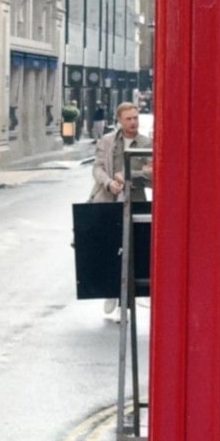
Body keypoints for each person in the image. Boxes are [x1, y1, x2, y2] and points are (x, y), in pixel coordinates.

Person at [88, 101, 152, 316]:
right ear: (119, 121)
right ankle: (111, 293)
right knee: (108, 249)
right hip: (108, 200)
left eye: (136, 117)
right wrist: (109, 183)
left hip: (134, 201)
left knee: (132, 251)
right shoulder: (107, 141)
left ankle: (126, 305)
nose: (134, 122)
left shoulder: (146, 143)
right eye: (129, 119)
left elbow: (154, 175)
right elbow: (97, 167)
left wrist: (130, 176)